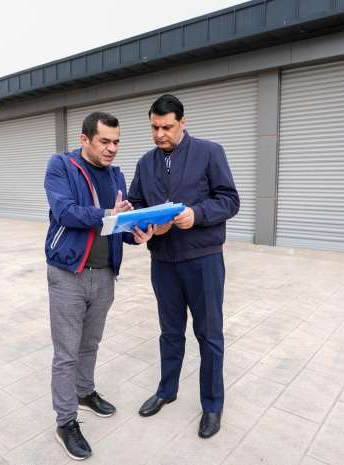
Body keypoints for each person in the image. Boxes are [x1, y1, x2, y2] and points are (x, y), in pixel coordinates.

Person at [44, 112, 156, 460]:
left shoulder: (116, 174)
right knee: (67, 353)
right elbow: (65, 212)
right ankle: (66, 422)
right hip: (68, 273)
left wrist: (138, 234)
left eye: (116, 142)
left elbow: (118, 225)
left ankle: (84, 391)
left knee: (90, 343)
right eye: (104, 141)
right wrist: (109, 214)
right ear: (85, 139)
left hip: (105, 273)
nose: (112, 148)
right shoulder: (61, 166)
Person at [128, 94, 240, 439]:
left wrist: (198, 214)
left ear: (182, 122)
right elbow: (136, 205)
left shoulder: (210, 152)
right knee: (170, 332)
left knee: (209, 334)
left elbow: (229, 200)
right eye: (154, 127)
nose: (160, 134)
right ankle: (167, 390)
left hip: (203, 260)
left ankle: (212, 405)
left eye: (166, 127)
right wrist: (144, 227)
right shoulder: (145, 163)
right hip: (163, 261)